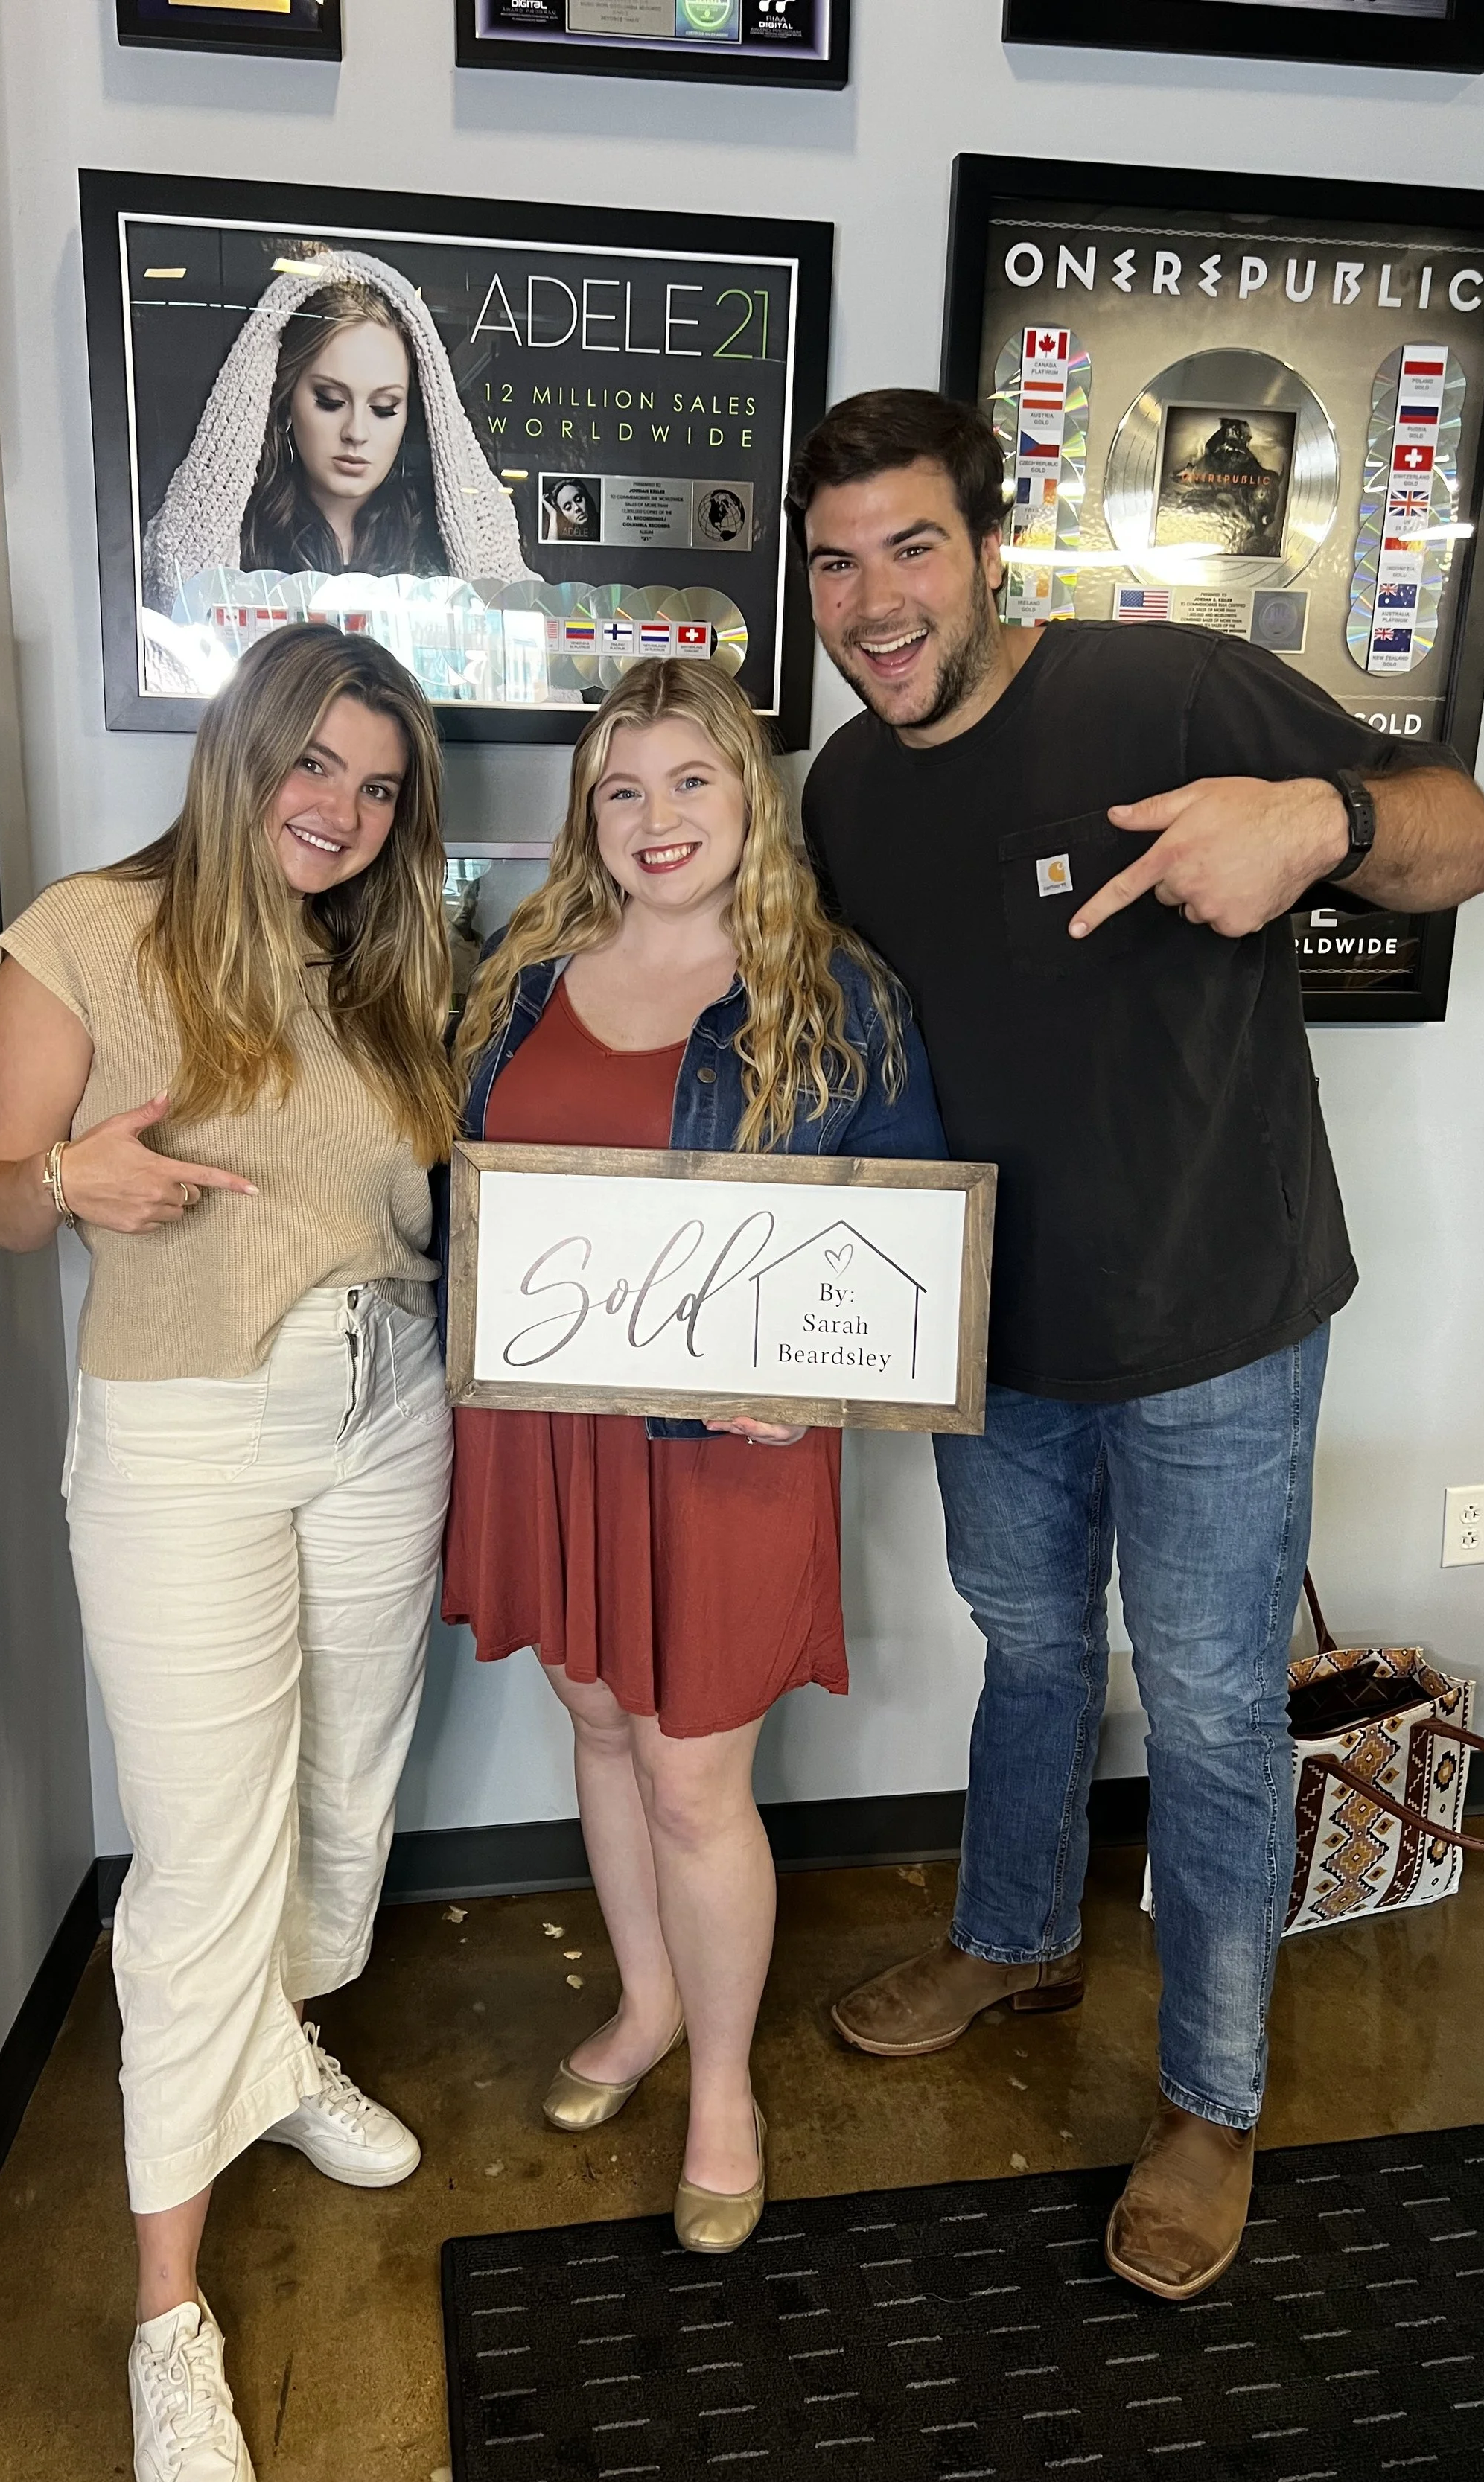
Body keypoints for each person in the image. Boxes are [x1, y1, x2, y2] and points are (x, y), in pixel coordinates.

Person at [786, 389, 1484, 2303]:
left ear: (990, 545)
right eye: (837, 559)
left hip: (1215, 1324)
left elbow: (1469, 838)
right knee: (1030, 1646)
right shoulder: (844, 794)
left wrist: (1316, 820)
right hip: (986, 1332)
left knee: (1203, 1709)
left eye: (912, 546)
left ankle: (1212, 2095)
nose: (874, 599)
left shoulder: (1173, 694)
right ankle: (1014, 1932)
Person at [0, 625, 459, 2481]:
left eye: (378, 784)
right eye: (310, 765)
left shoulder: (381, 965)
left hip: (388, 1397)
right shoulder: (85, 931)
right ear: (243, 752)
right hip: (188, 1423)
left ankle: (284, 2054)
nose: (338, 811)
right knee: (200, 1848)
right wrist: (65, 1183)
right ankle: (171, 2313)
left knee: (344, 1791)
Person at [442, 658, 945, 2253]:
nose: (655, 819)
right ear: (584, 815)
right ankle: (645, 2003)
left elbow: (907, 1231)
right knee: (596, 1722)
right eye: (619, 788)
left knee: (688, 1772)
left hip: (726, 1445)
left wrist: (820, 1387)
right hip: (547, 1431)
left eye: (688, 783)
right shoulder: (520, 971)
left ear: (748, 797)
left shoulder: (834, 990)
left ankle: (720, 2083)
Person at [142, 248, 535, 617]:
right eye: (330, 401)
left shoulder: (441, 556)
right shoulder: (234, 545)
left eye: (384, 409)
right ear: (283, 400)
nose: (357, 432)